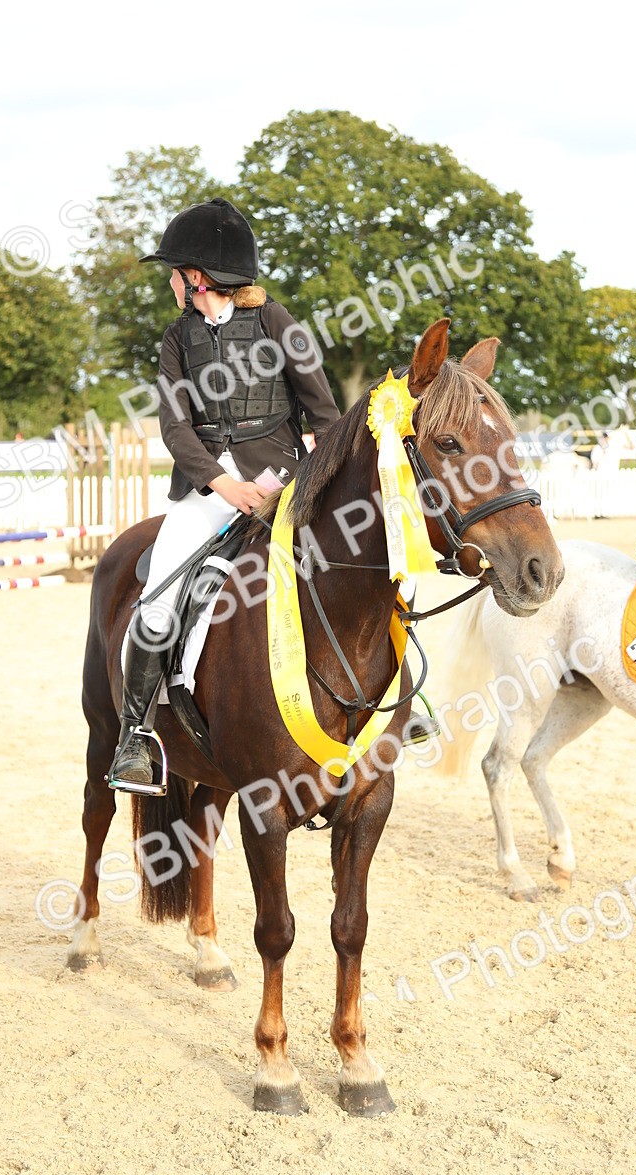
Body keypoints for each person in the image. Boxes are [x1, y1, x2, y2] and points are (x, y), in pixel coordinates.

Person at [108, 198, 438, 791]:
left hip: (285, 481)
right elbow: (175, 427)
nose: (172, 283)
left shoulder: (277, 323)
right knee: (156, 599)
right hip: (207, 488)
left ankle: (408, 698)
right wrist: (222, 483)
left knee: (380, 568)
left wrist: (313, 479)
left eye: (175, 273)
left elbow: (324, 411)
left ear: (197, 277)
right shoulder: (176, 339)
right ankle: (136, 734)